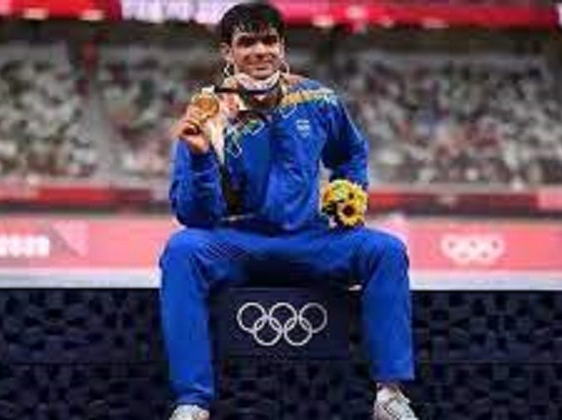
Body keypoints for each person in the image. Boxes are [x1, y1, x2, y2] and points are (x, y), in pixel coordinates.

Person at [160, 3, 417, 419]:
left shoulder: (318, 99)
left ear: (282, 46)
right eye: (247, 42)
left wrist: (348, 191)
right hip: (237, 243)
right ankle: (192, 401)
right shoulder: (208, 110)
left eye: (269, 41)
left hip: (310, 240)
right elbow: (194, 215)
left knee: (385, 251)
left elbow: (351, 153)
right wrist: (200, 157)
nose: (260, 51)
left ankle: (390, 395)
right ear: (228, 51)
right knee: (182, 251)